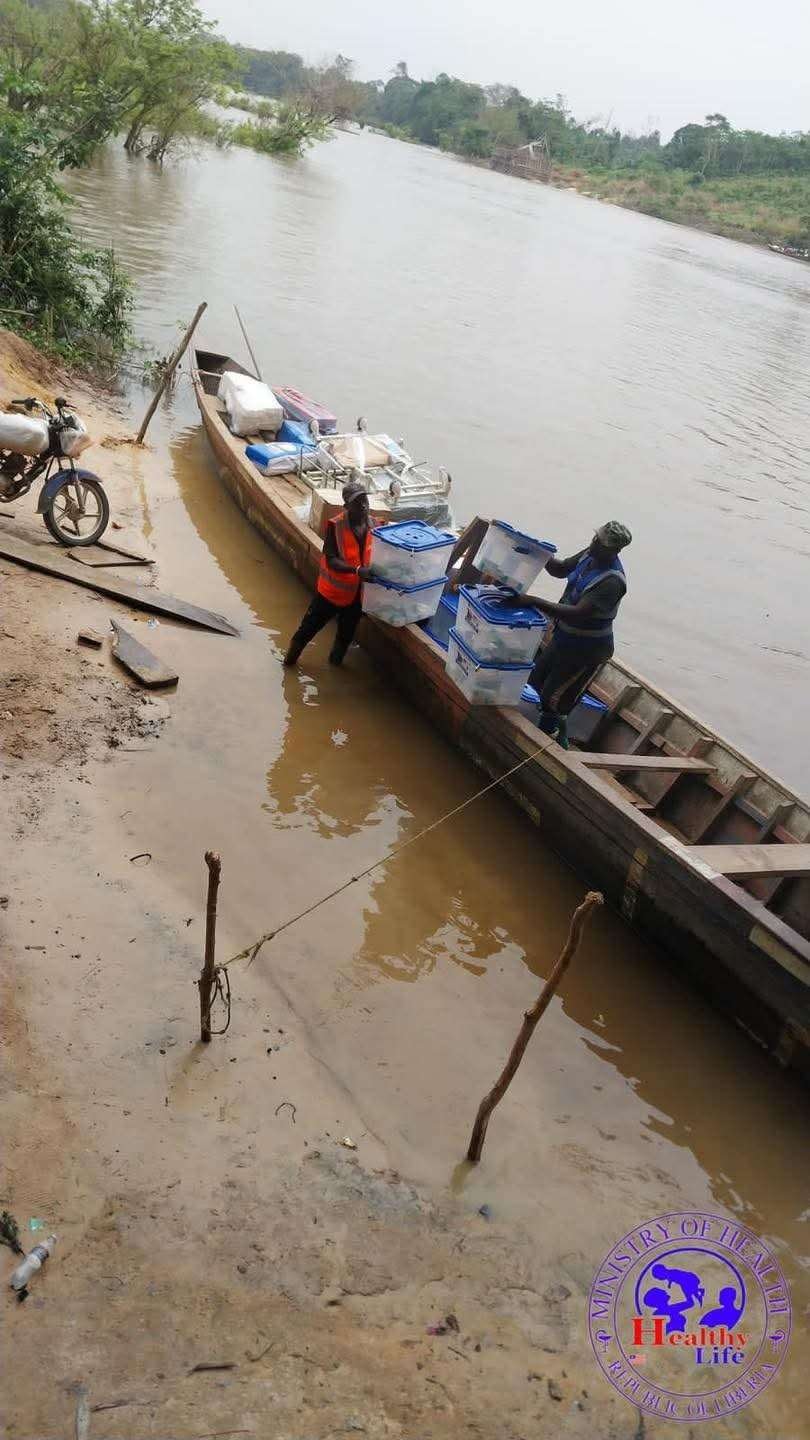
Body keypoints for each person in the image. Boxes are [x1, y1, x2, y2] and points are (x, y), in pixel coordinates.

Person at [500, 520, 631, 740]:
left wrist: (532, 600)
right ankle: (526, 727)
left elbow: (576, 613)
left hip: (587, 650)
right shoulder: (590, 554)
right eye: (595, 537)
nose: (594, 543)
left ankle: (550, 737)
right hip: (564, 637)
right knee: (534, 681)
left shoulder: (612, 581)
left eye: (600, 543)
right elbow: (560, 569)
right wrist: (536, 551)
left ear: (613, 551)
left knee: (553, 698)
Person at [284, 479, 375, 668]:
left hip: (356, 597)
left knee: (345, 636)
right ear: (347, 506)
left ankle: (335, 664)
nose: (363, 505)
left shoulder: (375, 524)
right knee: (307, 630)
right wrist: (357, 570)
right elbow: (332, 560)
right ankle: (288, 663)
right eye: (357, 502)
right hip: (330, 595)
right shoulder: (336, 526)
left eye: (364, 500)